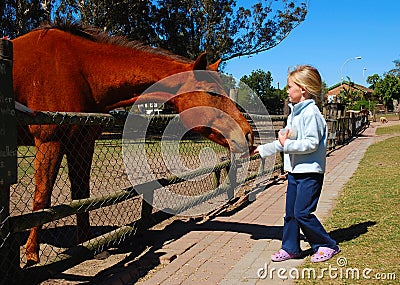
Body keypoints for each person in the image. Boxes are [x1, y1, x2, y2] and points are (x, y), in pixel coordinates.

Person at [253, 65, 340, 262]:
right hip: (294, 172)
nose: (286, 90)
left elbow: (311, 144)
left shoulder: (312, 114)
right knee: (291, 214)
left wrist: (287, 144)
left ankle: (326, 244)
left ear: (303, 89)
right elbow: (283, 142)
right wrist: (261, 150)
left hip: (310, 173)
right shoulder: (294, 114)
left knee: (302, 213)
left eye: (289, 86)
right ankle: (291, 248)